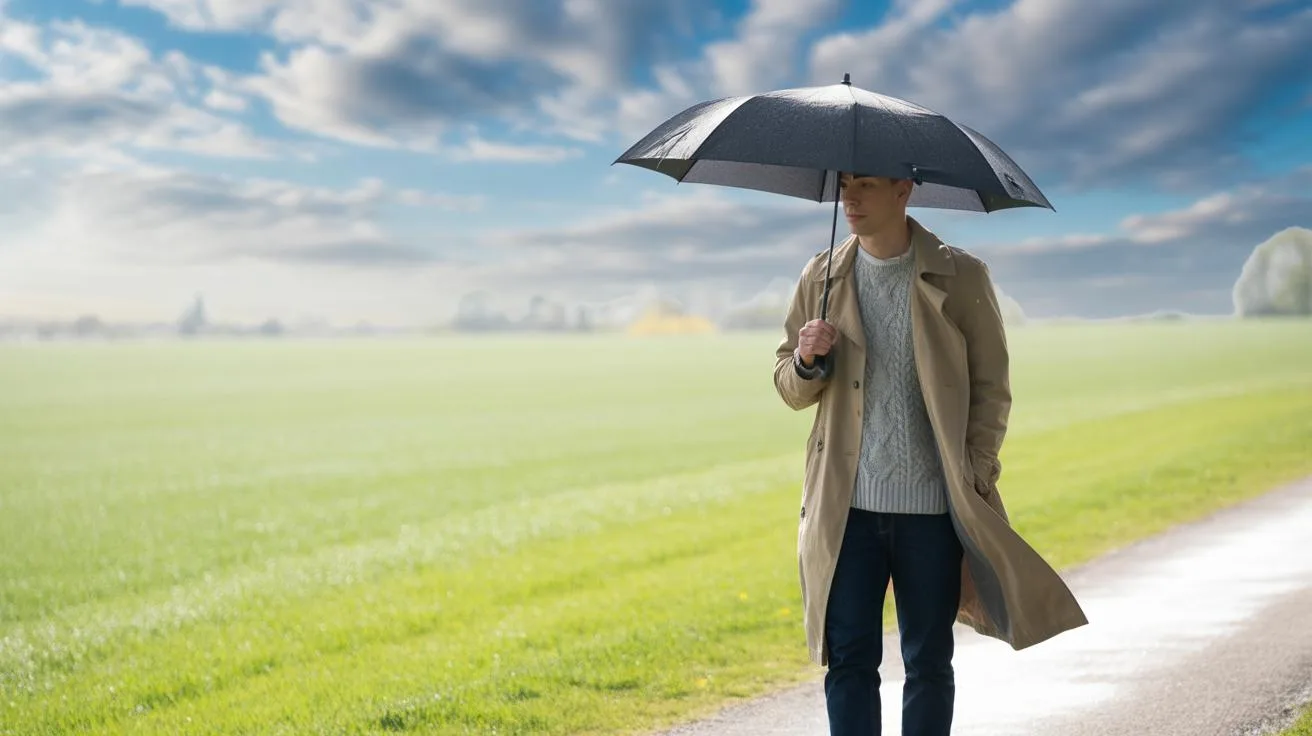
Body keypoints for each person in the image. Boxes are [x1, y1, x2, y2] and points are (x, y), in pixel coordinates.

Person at [772, 172, 1087, 735]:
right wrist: (805, 358)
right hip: (846, 511)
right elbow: (790, 389)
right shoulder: (820, 276)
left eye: (865, 185)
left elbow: (992, 387)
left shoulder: (962, 275)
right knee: (848, 661)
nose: (850, 198)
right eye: (845, 185)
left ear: (903, 190)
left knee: (928, 663)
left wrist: (976, 470)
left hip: (933, 510)